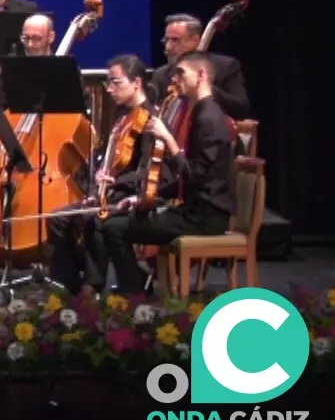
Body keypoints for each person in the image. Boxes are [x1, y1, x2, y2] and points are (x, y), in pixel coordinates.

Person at [91, 52, 239, 293]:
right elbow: (187, 179)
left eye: (182, 73)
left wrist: (169, 140)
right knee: (114, 222)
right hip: (193, 211)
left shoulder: (210, 117)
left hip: (205, 218)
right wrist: (143, 199)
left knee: (112, 228)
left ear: (201, 76)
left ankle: (134, 295)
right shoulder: (201, 112)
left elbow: (195, 176)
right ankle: (134, 287)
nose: (175, 78)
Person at [51, 54, 154, 294]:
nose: (109, 89)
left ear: (137, 83)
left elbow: (147, 171)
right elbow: (112, 161)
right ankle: (68, 284)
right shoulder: (123, 116)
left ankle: (91, 284)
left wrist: (114, 182)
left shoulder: (149, 120)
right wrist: (98, 185)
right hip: (111, 192)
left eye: (115, 82)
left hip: (131, 195)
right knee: (58, 217)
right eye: (108, 82)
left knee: (91, 218)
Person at [150, 13, 251, 119]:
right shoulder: (160, 74)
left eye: (175, 40)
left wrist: (204, 86)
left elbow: (241, 109)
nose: (168, 47)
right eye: (166, 40)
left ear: (195, 40)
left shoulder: (226, 66)